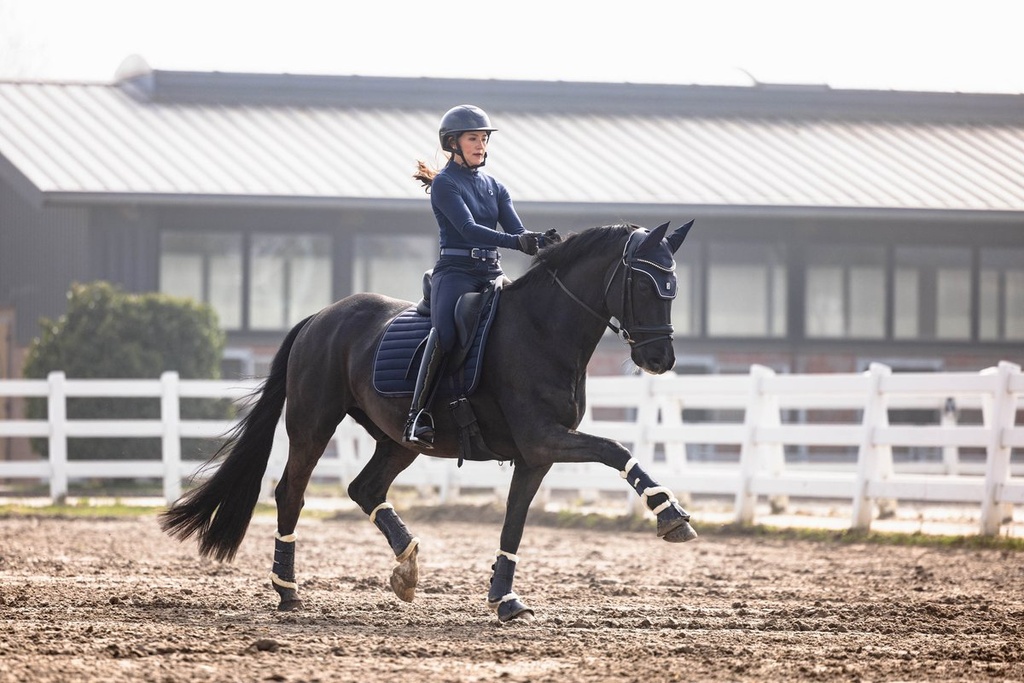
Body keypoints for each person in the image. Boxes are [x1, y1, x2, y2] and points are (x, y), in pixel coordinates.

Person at [405, 104, 552, 449]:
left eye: (484, 139)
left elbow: (517, 230)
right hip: (456, 274)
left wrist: (541, 242)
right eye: (474, 138)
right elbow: (469, 230)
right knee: (444, 333)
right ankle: (418, 415)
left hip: (492, 273)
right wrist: (517, 241)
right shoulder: (444, 184)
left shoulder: (495, 187)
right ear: (453, 143)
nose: (481, 145)